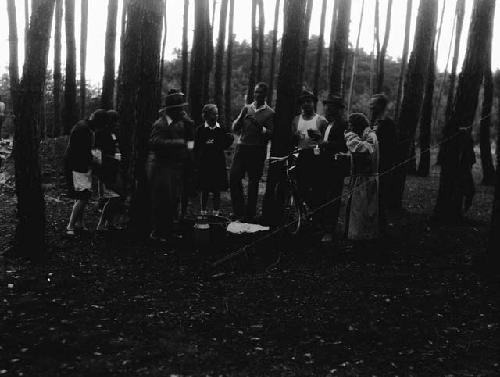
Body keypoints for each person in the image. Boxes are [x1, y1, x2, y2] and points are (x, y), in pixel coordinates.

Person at [146, 90, 194, 243]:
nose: (182, 111)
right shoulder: (160, 124)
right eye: (179, 108)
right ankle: (157, 232)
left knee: (174, 199)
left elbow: (190, 140)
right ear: (171, 109)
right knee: (162, 200)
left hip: (175, 167)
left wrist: (188, 150)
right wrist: (177, 144)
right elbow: (153, 143)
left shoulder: (181, 123)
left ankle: (169, 230)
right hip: (160, 167)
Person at [230, 82, 274, 221]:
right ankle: (239, 211)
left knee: (253, 182)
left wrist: (260, 127)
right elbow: (234, 127)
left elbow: (272, 133)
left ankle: (249, 214)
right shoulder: (246, 108)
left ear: (265, 95)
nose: (257, 95)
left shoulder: (270, 113)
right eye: (256, 92)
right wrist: (241, 117)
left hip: (257, 149)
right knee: (234, 177)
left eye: (260, 92)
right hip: (242, 147)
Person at [64, 109, 107, 236]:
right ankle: (70, 225)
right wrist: (94, 162)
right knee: (84, 196)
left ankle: (79, 223)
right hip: (78, 166)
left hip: (82, 165)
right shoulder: (83, 129)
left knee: (81, 195)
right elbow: (80, 151)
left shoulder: (87, 127)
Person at [317, 94, 349, 243]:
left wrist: (326, 145)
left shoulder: (343, 125)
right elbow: (327, 142)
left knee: (333, 198)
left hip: (336, 167)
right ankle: (323, 226)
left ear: (338, 109)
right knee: (324, 196)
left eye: (331, 107)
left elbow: (343, 145)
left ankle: (329, 231)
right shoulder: (329, 124)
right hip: (324, 166)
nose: (327, 109)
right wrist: (319, 139)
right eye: (327, 106)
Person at [345, 113, 379, 241]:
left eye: (351, 126)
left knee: (363, 212)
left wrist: (349, 137)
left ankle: (362, 240)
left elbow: (363, 149)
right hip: (362, 178)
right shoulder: (365, 135)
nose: (349, 128)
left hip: (367, 179)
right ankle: (359, 239)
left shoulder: (371, 136)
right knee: (359, 210)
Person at [194, 104, 234, 215]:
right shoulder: (200, 130)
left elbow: (226, 142)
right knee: (205, 188)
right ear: (206, 115)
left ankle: (216, 212)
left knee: (217, 188)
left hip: (218, 162)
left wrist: (228, 140)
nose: (216, 116)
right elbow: (196, 145)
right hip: (205, 162)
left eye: (217, 113)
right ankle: (203, 211)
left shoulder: (221, 129)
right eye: (213, 113)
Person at [291, 90, 328, 209]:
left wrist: (319, 138)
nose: (306, 104)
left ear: (314, 103)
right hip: (300, 155)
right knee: (301, 186)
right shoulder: (296, 120)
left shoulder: (321, 120)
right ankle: (302, 212)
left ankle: (314, 212)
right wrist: (295, 137)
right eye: (303, 102)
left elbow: (326, 141)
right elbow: (292, 139)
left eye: (309, 101)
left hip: (315, 156)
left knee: (315, 186)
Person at [370, 94, 398, 232]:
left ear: (380, 106)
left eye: (373, 104)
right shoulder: (373, 123)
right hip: (372, 166)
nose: (370, 106)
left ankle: (382, 228)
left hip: (383, 167)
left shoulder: (388, 124)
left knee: (380, 198)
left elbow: (391, 147)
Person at [94, 109, 123, 231]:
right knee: (115, 197)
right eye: (115, 121)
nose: (117, 124)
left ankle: (109, 223)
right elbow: (97, 153)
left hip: (113, 168)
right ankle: (101, 224)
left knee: (116, 196)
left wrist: (117, 156)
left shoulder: (113, 133)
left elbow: (115, 147)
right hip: (106, 170)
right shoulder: (100, 133)